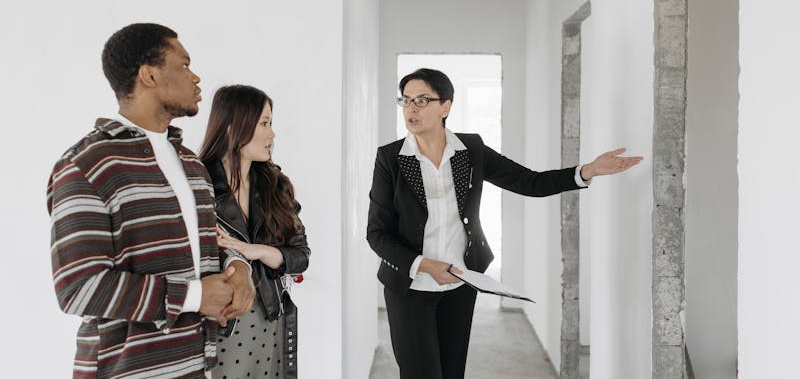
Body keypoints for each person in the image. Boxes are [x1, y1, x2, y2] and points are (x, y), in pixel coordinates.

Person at [366, 68, 643, 379]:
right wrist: (424, 264)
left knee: (452, 371)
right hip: (410, 285)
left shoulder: (470, 151)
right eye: (405, 100)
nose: (411, 108)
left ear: (445, 106)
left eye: (422, 100)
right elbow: (376, 234)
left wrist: (587, 170)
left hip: (462, 282)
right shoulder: (390, 158)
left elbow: (530, 182)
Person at [48, 23, 255, 379]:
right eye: (184, 65)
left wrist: (240, 270)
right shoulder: (87, 164)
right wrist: (194, 297)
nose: (196, 78)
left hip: (197, 363)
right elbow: (79, 288)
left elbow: (206, 247)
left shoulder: (191, 164)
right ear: (149, 75)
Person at [199, 85, 310, 379]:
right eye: (264, 123)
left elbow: (300, 256)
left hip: (270, 318)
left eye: (270, 124)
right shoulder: (199, 184)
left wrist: (254, 251)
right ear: (234, 125)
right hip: (220, 323)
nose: (272, 134)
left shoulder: (276, 185)